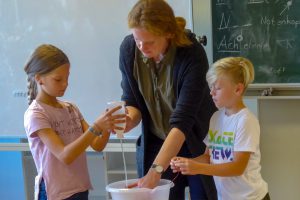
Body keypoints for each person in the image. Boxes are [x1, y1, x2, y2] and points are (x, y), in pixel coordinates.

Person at [119, 0, 217, 199]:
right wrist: (129, 118)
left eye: (149, 42)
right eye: (137, 40)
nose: (141, 47)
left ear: (169, 34)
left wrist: (156, 171)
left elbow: (183, 120)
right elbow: (132, 100)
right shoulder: (129, 49)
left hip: (195, 141)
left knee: (203, 194)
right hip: (157, 141)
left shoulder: (191, 53)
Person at [23, 44, 126, 200]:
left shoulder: (70, 108)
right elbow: (65, 156)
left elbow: (97, 145)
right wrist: (97, 126)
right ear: (39, 79)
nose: (65, 84)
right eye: (58, 79)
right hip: (55, 193)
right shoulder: (36, 114)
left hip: (79, 188)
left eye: (67, 77)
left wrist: (106, 127)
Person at [170, 57, 270, 200]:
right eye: (211, 87)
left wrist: (197, 168)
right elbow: (208, 156)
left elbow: (237, 167)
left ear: (238, 89)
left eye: (217, 88)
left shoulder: (246, 121)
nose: (211, 93)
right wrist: (187, 163)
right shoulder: (216, 117)